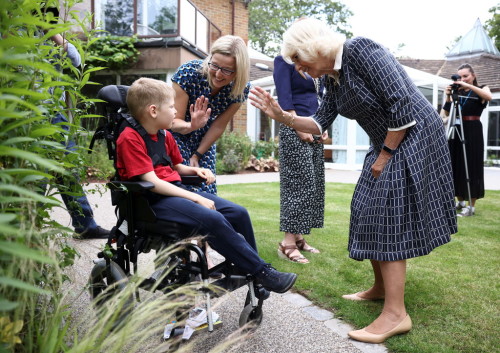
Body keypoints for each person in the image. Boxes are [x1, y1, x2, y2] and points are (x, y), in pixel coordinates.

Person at [249, 18, 457, 343]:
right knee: (363, 207)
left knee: (386, 214)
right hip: (385, 141)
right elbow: (319, 122)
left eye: (299, 59)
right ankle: (379, 288)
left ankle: (396, 314)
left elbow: (401, 102)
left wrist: (385, 155)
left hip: (414, 135)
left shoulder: (360, 50)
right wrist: (282, 116)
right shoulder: (331, 79)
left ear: (312, 48)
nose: (299, 68)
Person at [116, 77, 297, 294]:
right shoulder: (130, 138)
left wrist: (195, 170)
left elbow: (177, 167)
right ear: (153, 111)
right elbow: (152, 182)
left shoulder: (164, 135)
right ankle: (262, 273)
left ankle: (250, 271)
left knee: (239, 213)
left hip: (175, 194)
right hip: (151, 201)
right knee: (211, 217)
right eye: (172, 107)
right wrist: (196, 197)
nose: (175, 112)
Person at [41, 6, 109, 239]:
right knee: (37, 172)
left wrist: (52, 32)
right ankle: (27, 228)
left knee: (67, 169)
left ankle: (85, 225)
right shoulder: (15, 35)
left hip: (55, 113)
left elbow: (76, 60)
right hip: (29, 115)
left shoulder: (52, 40)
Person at [170, 35, 251, 195]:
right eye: (214, 65)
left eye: (227, 70)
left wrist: (198, 154)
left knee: (207, 188)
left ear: (238, 71)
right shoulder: (188, 73)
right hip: (175, 137)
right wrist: (191, 125)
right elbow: (172, 122)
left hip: (204, 141)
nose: (218, 74)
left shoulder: (240, 88)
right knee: (183, 190)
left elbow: (219, 125)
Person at [273, 55, 326, 264]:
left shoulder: (313, 63)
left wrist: (322, 126)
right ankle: (287, 243)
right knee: (298, 185)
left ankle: (299, 237)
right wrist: (297, 127)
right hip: (294, 128)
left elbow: (320, 98)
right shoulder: (283, 61)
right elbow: (284, 98)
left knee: (312, 185)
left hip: (313, 126)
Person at [441, 64, 491, 217]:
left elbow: (488, 97)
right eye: (460, 77)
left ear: (473, 76)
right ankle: (460, 201)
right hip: (456, 130)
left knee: (471, 166)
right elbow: (444, 115)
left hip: (472, 131)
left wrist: (467, 85)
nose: (462, 79)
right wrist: (448, 95)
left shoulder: (482, 88)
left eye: (465, 76)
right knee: (455, 165)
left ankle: (471, 206)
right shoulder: (458, 92)